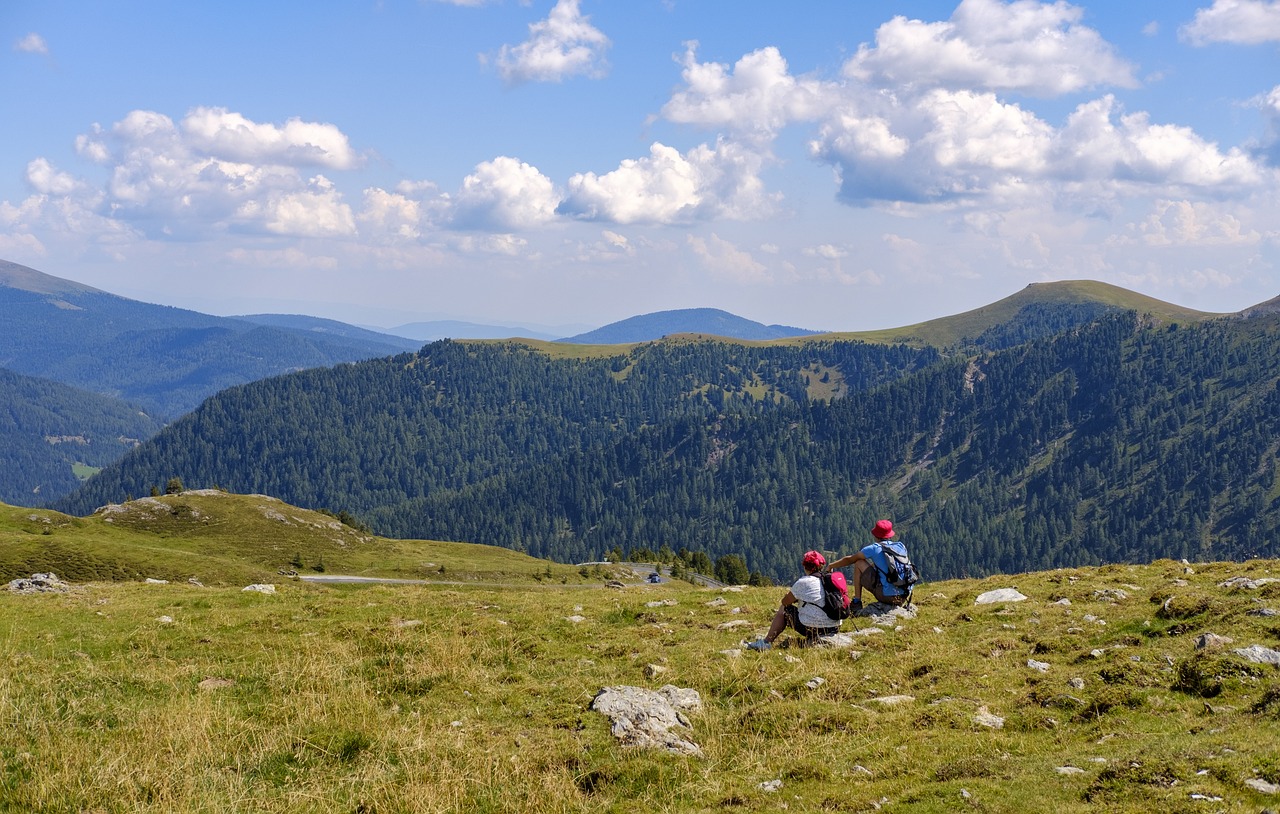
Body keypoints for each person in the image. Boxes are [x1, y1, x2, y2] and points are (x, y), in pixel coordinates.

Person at [746, 550, 840, 650]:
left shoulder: (803, 582)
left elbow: (785, 602)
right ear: (821, 565)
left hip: (814, 629)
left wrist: (795, 598)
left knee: (784, 609)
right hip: (834, 628)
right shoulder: (830, 579)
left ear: (805, 566)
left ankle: (766, 642)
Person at [826, 519, 910, 609]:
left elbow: (850, 559)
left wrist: (831, 565)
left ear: (875, 535)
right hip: (904, 596)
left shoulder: (874, 549)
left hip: (887, 597)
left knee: (859, 563)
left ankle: (856, 602)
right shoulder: (900, 546)